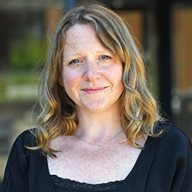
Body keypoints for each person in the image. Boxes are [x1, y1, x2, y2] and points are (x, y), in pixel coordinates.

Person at [2, 4, 192, 192]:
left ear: (126, 66)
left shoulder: (171, 150)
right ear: (59, 75)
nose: (91, 74)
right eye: (75, 61)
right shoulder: (29, 153)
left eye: (104, 57)